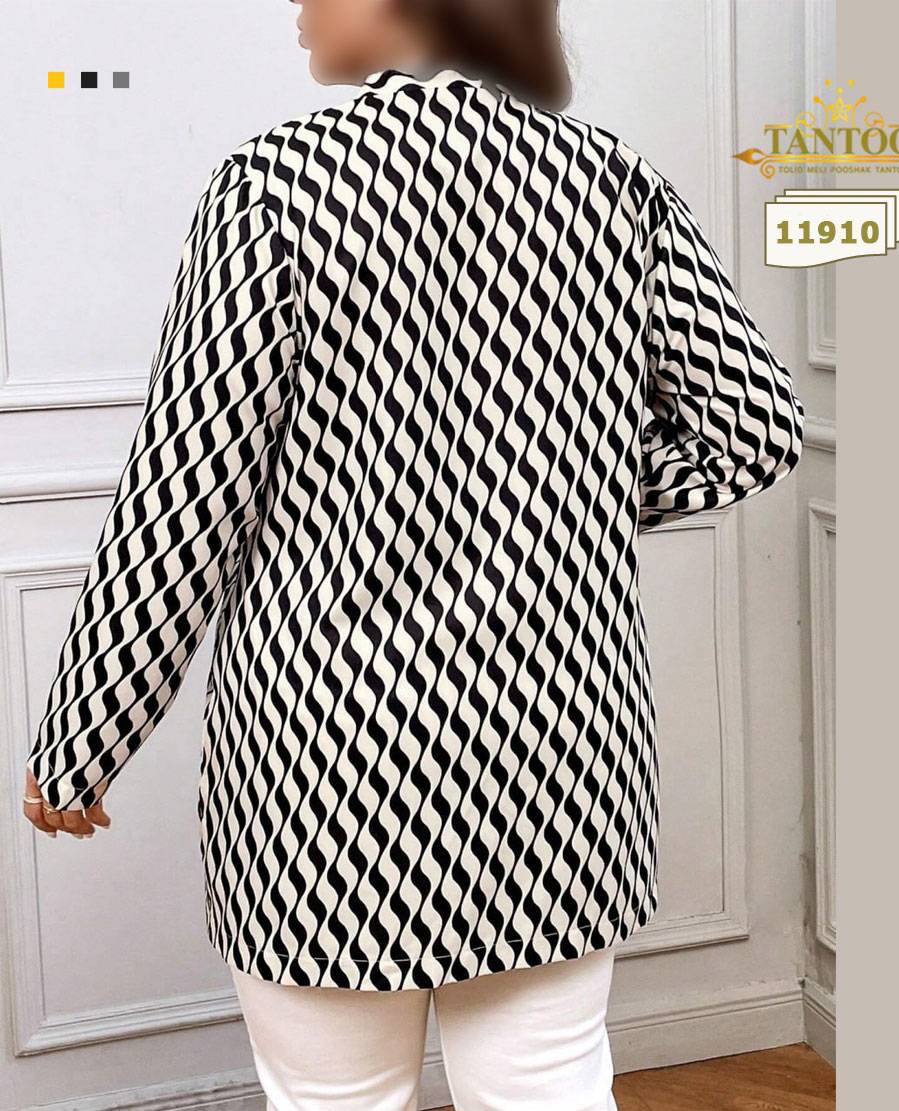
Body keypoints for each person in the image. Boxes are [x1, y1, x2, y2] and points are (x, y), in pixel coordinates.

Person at [21, 0, 805, 1106]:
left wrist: (85, 734)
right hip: (553, 756)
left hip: (323, 768)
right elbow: (752, 427)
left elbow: (187, 491)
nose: (297, 7)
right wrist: (559, 491)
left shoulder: (275, 189)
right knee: (547, 1090)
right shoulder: (613, 182)